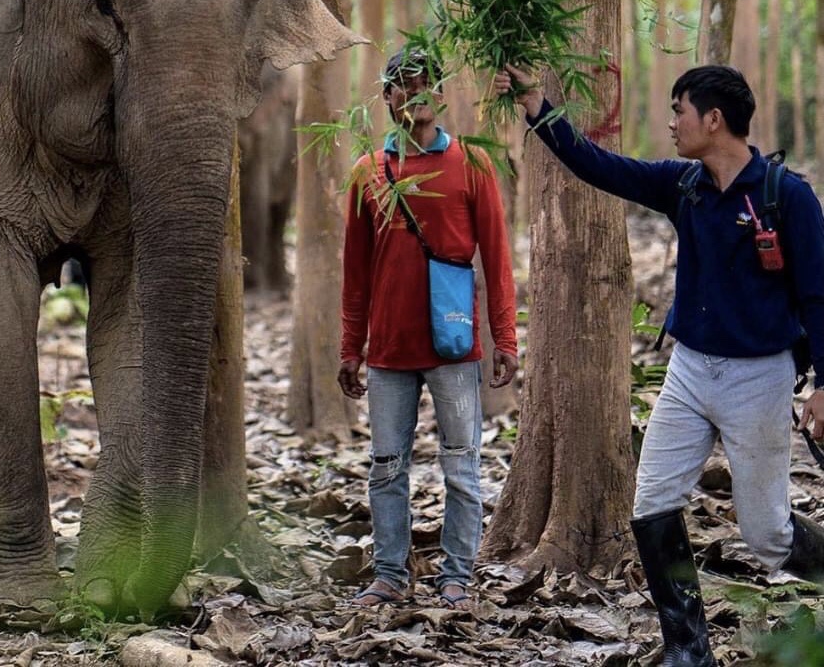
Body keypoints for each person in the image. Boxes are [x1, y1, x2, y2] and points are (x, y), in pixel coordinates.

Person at [494, 62, 824, 667]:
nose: (672, 123)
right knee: (650, 505)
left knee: (767, 535)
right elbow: (602, 167)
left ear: (713, 119)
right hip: (691, 373)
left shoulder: (787, 196)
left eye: (680, 111)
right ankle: (687, 648)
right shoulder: (684, 185)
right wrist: (539, 109)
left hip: (760, 376)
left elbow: (819, 294)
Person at [339, 47, 519, 610]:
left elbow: (496, 255)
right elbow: (355, 269)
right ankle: (390, 574)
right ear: (387, 97)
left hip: (454, 347)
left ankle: (457, 577)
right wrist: (351, 346)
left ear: (440, 93)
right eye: (401, 86)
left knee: (461, 467)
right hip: (390, 351)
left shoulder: (472, 164)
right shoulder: (368, 172)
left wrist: (505, 338)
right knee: (387, 467)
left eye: (424, 84)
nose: (414, 95)